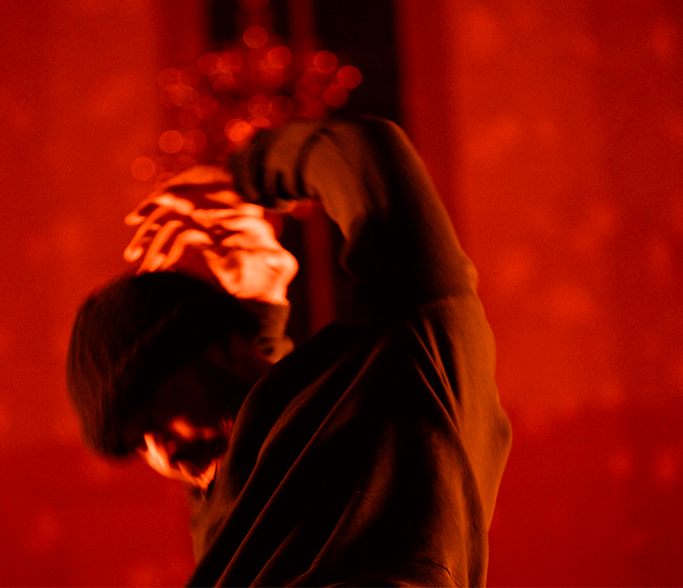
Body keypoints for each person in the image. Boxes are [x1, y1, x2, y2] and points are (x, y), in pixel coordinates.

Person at [67, 116, 512, 587]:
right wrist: (258, 315)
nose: (161, 452)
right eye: (138, 446)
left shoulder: (401, 367)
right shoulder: (223, 530)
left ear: (215, 346)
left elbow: (370, 156)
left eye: (154, 412)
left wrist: (245, 174)